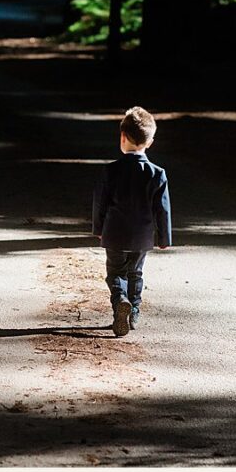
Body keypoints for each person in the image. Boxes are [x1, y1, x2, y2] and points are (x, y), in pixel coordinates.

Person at [91, 106, 172, 337]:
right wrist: (164, 237)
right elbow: (162, 209)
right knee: (135, 273)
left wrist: (98, 229)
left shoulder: (110, 171)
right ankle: (133, 310)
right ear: (150, 142)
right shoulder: (157, 173)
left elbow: (100, 203)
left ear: (122, 138)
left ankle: (120, 301)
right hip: (142, 235)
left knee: (115, 272)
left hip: (114, 233)